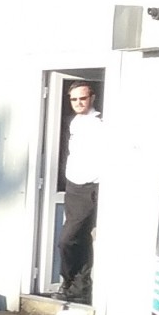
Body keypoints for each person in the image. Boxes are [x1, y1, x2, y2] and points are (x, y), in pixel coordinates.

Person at [56, 82, 102, 303]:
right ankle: (79, 287)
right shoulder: (74, 122)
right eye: (73, 99)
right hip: (73, 186)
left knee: (68, 239)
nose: (78, 103)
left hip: (90, 187)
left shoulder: (100, 124)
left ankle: (71, 281)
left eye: (82, 98)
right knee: (78, 239)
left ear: (92, 98)